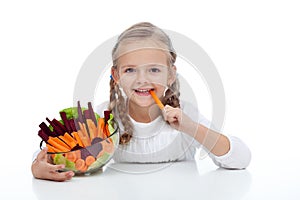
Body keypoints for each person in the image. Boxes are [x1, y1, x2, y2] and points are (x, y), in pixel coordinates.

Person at [31, 22, 251, 181]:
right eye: (130, 70)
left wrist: (190, 127)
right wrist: (39, 167)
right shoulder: (102, 119)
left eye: (154, 69)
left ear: (171, 75)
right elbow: (55, 153)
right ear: (116, 76)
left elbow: (241, 159)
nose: (142, 79)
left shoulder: (186, 115)